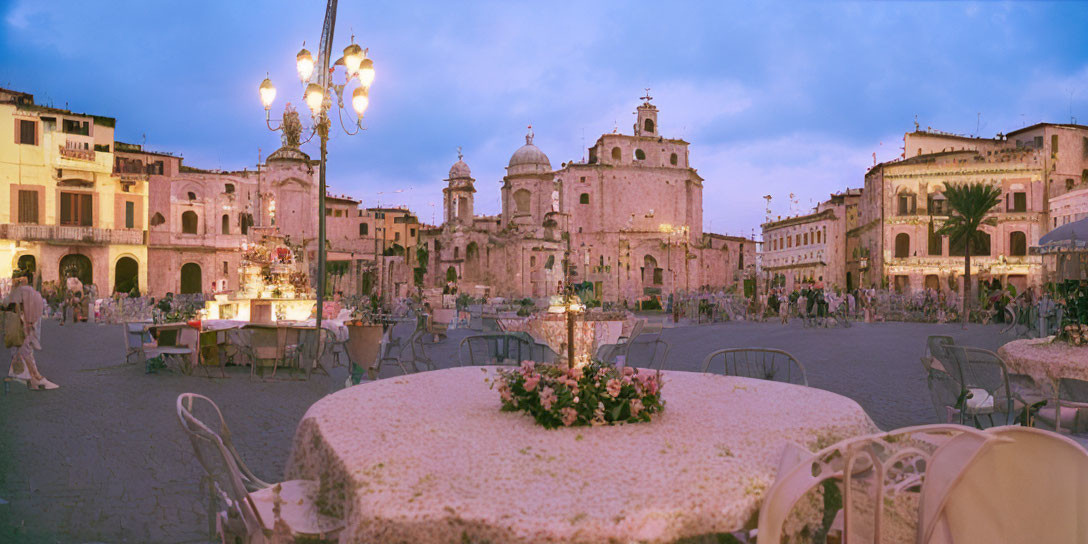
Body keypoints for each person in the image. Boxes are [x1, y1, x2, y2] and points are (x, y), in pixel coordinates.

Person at [5, 271, 57, 390]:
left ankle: (26, 377)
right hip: (23, 325)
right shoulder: (26, 292)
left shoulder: (19, 292)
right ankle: (36, 378)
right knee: (26, 350)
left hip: (19, 324)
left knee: (23, 349)